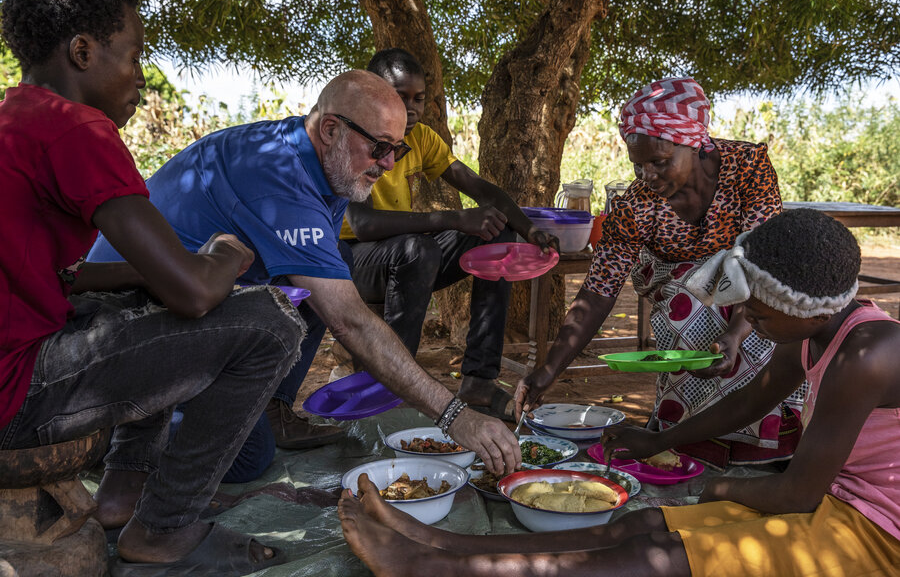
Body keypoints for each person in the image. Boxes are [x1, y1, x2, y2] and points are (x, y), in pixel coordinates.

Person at [338, 208, 900, 576]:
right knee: (641, 524)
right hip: (838, 505)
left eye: (755, 309)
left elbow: (797, 495)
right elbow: (752, 399)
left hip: (877, 533)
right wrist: (659, 438)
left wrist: (719, 486)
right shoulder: (819, 327)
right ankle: (446, 548)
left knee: (654, 556)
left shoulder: (866, 354)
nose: (745, 318)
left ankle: (433, 569)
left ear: (801, 306)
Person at [0, 0, 302, 574]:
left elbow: (58, 276)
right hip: (16, 397)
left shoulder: (17, 117)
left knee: (140, 294)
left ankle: (123, 488)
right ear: (83, 52)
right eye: (135, 55)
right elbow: (193, 293)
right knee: (271, 322)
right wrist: (224, 255)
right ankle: (163, 530)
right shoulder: (76, 130)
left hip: (15, 365)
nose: (142, 74)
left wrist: (144, 275)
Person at [88, 69, 522, 482]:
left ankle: (270, 407)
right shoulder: (278, 177)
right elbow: (349, 321)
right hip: (128, 327)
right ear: (331, 129)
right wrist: (454, 416)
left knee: (333, 266)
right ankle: (112, 440)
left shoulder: (323, 162)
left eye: (398, 149)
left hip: (196, 305)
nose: (389, 165)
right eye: (379, 148)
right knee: (249, 457)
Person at [515, 77, 804, 468]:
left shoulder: (748, 168)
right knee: (691, 308)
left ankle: (763, 445)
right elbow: (598, 291)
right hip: (676, 285)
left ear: (695, 143)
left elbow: (760, 257)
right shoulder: (634, 207)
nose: (646, 175)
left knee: (777, 318)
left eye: (659, 162)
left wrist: (736, 334)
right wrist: (548, 370)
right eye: (638, 164)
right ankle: (691, 442)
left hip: (750, 277)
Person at [337, 48, 558, 421]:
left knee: (497, 233)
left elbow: (482, 189)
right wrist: (452, 218)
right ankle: (393, 388)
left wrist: (530, 230)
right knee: (417, 249)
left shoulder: (421, 139)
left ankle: (479, 383)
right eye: (399, 96)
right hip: (352, 262)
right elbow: (363, 225)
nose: (411, 108)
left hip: (404, 254)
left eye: (418, 99)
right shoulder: (354, 137)